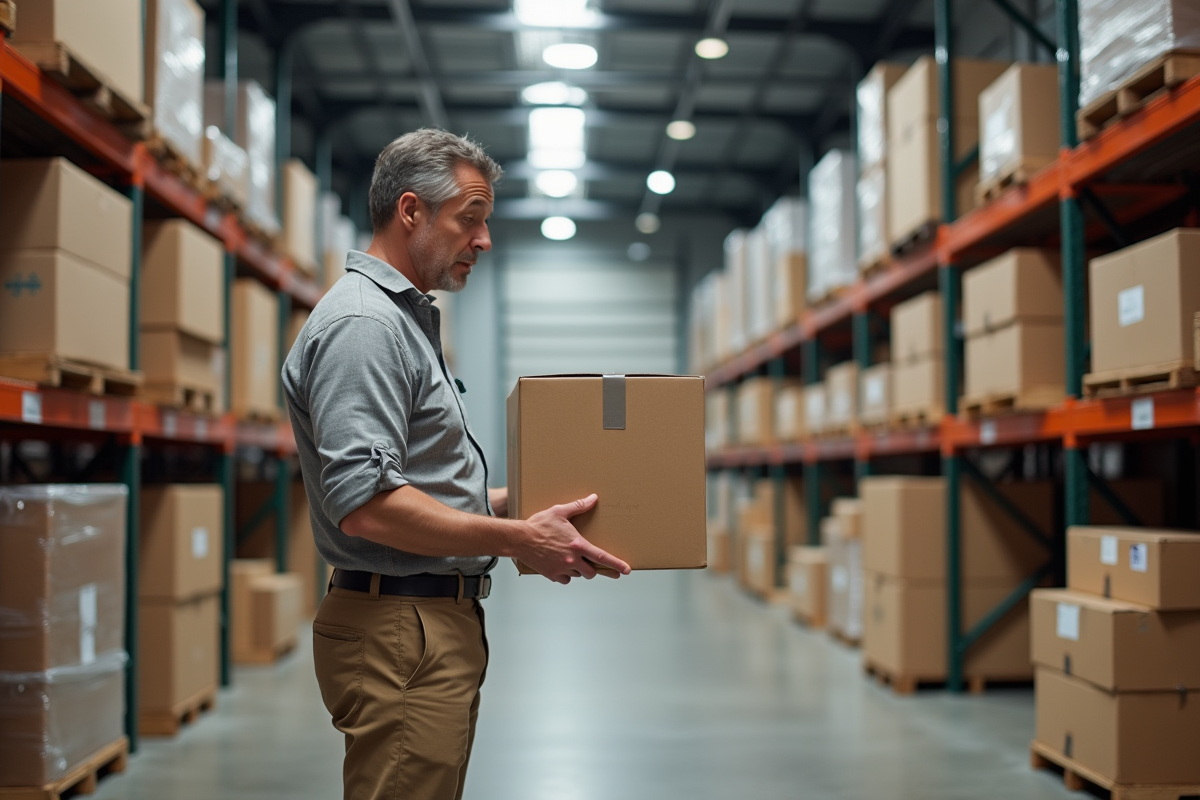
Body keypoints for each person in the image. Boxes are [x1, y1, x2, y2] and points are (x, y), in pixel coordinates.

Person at [282, 129, 631, 800]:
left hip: (421, 628)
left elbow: (414, 483)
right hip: (400, 633)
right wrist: (520, 540)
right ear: (410, 211)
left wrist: (510, 507)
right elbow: (366, 505)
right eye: (470, 219)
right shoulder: (365, 326)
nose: (485, 240)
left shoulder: (402, 321)